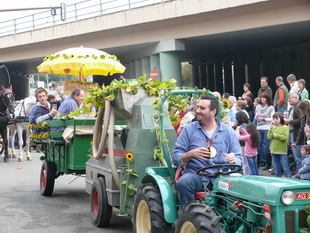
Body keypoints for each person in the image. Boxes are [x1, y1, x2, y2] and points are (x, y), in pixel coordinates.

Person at [173, 95, 242, 206]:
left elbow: (239, 159)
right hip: (197, 177)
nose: (198, 111)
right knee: (184, 182)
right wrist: (191, 154)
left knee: (243, 185)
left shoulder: (228, 132)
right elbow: (176, 158)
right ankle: (187, 216)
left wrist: (234, 160)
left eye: (202, 108)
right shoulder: (189, 130)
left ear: (213, 111)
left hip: (221, 177)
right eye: (198, 107)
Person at [267, 112, 291, 178]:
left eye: (277, 118)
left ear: (281, 119)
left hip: (282, 151)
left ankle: (290, 180)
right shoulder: (273, 127)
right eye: (274, 118)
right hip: (273, 150)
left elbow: (285, 137)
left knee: (285, 168)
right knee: (277, 170)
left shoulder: (285, 127)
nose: (275, 120)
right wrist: (270, 128)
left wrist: (276, 135)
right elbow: (269, 137)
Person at [255, 93, 275, 169]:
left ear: (267, 99)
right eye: (261, 98)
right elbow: (256, 116)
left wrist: (263, 118)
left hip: (267, 127)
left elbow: (272, 118)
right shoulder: (258, 107)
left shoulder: (271, 107)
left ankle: (268, 164)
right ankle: (258, 162)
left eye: (264, 98)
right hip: (259, 127)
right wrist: (258, 118)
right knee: (258, 146)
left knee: (267, 146)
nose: (262, 99)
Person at [285, 92, 302, 172]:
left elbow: (301, 120)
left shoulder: (298, 107)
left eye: (290, 98)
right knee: (296, 156)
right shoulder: (292, 107)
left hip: (296, 134)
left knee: (298, 157)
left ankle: (301, 175)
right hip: (292, 133)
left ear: (296, 98)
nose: (288, 100)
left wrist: (290, 121)